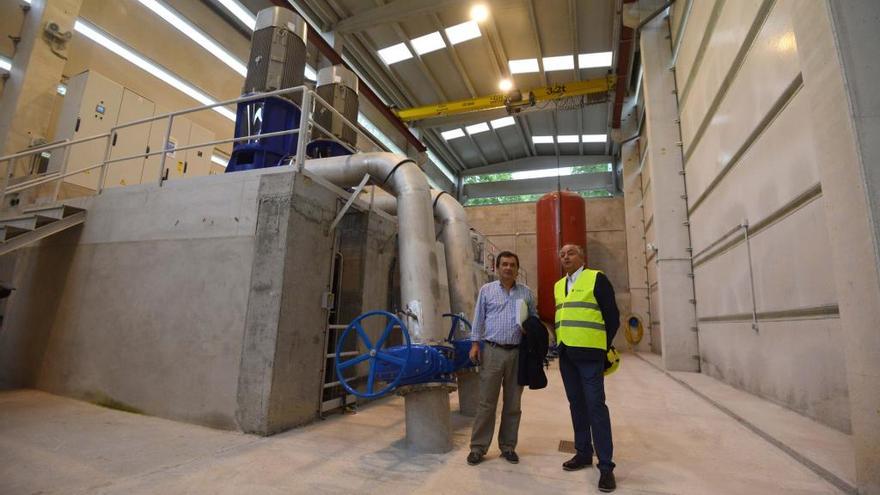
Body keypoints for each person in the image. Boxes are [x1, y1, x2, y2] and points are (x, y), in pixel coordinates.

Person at [554, 244, 619, 493]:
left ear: (582, 257)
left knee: (595, 406)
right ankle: (583, 453)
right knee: (577, 405)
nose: (565, 257)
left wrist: (602, 348)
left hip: (590, 355)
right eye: (562, 254)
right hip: (566, 354)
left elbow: (612, 317)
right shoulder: (559, 285)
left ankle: (606, 467)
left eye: (570, 253)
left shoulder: (596, 278)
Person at [466, 251, 537, 466]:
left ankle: (508, 446)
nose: (508, 268)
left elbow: (534, 319)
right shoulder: (487, 291)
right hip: (492, 351)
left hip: (517, 353)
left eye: (512, 265)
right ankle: (478, 447)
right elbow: (478, 318)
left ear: (517, 269)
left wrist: (530, 330)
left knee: (513, 403)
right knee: (486, 403)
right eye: (504, 264)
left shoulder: (526, 293)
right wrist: (475, 344)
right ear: (497, 267)